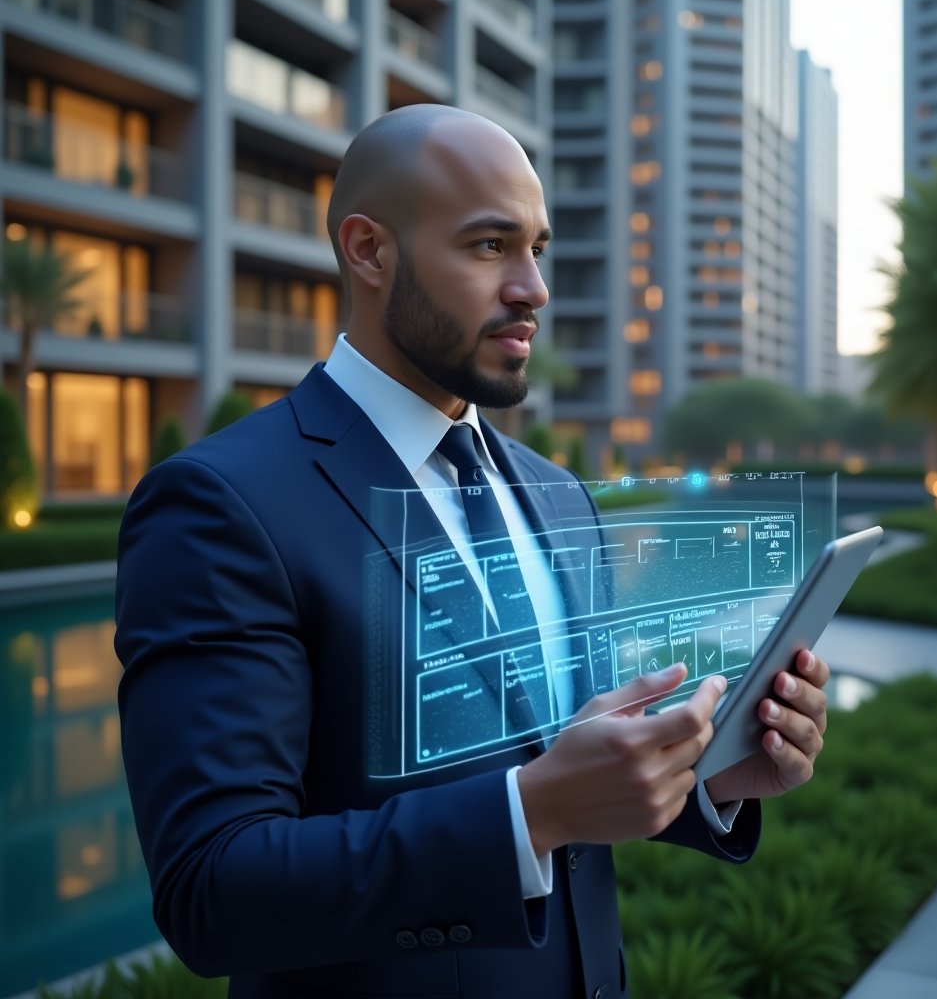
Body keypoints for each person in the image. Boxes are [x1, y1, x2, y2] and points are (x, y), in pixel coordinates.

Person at [115, 104, 829, 999]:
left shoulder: (559, 496)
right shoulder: (221, 504)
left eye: (537, 248)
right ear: (370, 252)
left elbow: (572, 762)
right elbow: (212, 888)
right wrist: (529, 814)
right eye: (490, 246)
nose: (533, 288)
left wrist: (715, 775)